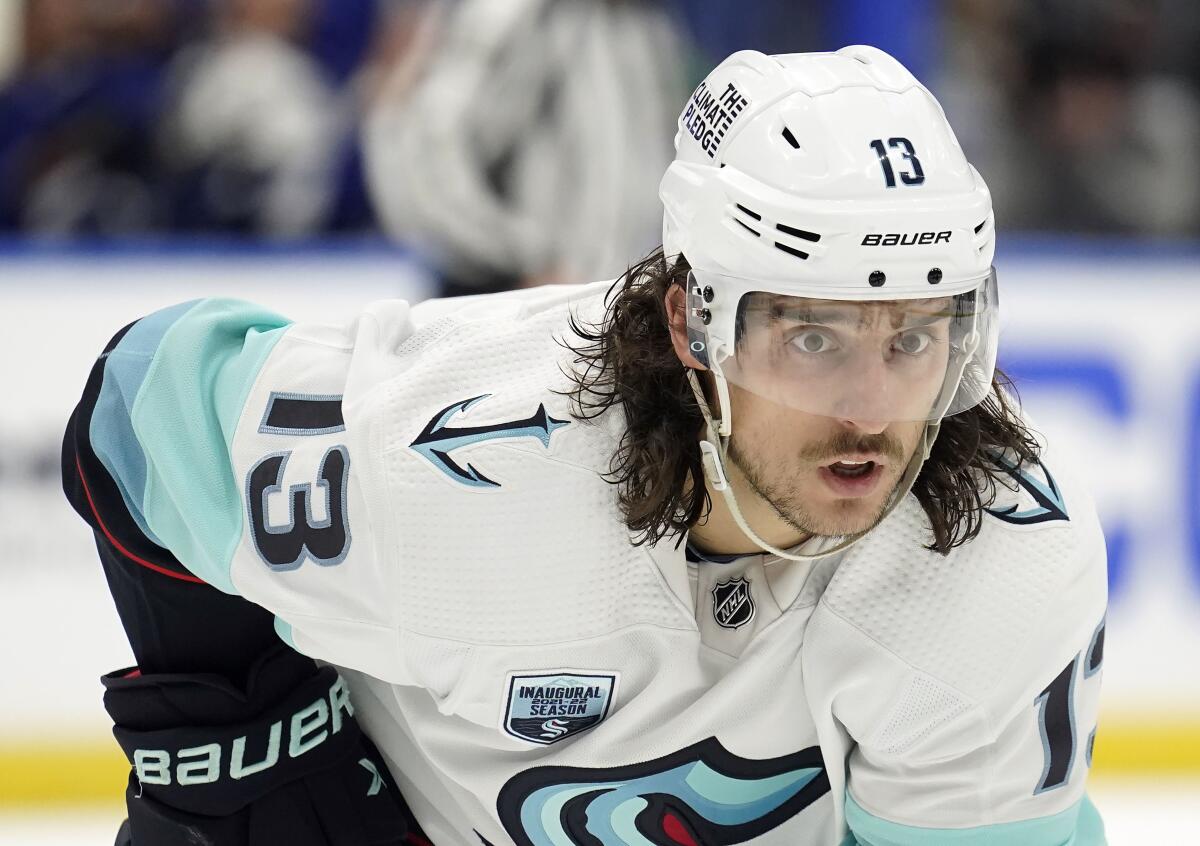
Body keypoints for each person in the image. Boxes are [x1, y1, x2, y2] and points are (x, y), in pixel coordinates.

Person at [62, 46, 1108, 845]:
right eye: (814, 336)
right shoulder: (456, 465)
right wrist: (251, 761)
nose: (872, 408)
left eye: (917, 336)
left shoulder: (995, 563)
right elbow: (138, 408)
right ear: (696, 321)